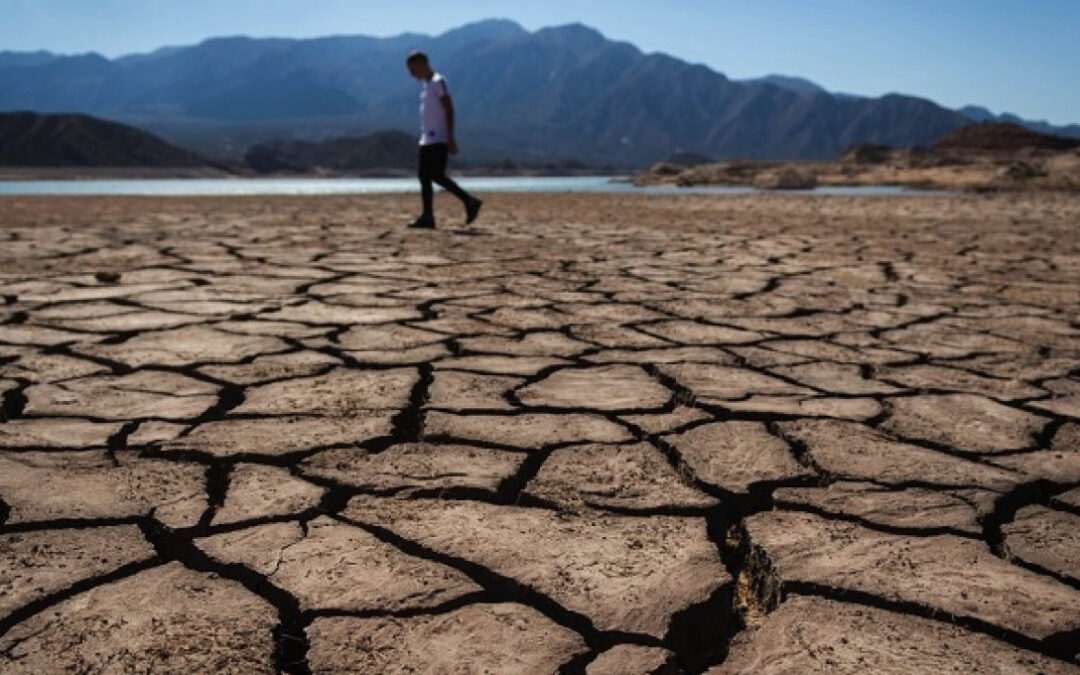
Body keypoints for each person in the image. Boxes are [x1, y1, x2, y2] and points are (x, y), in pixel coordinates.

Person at [405, 50, 482, 229]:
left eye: (412, 70)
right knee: (424, 177)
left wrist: (450, 136)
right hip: (426, 138)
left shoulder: (438, 82)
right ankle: (428, 216)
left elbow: (449, 109)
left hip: (438, 138)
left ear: (421, 64)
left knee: (436, 175)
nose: (411, 74)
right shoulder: (426, 86)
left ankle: (469, 201)